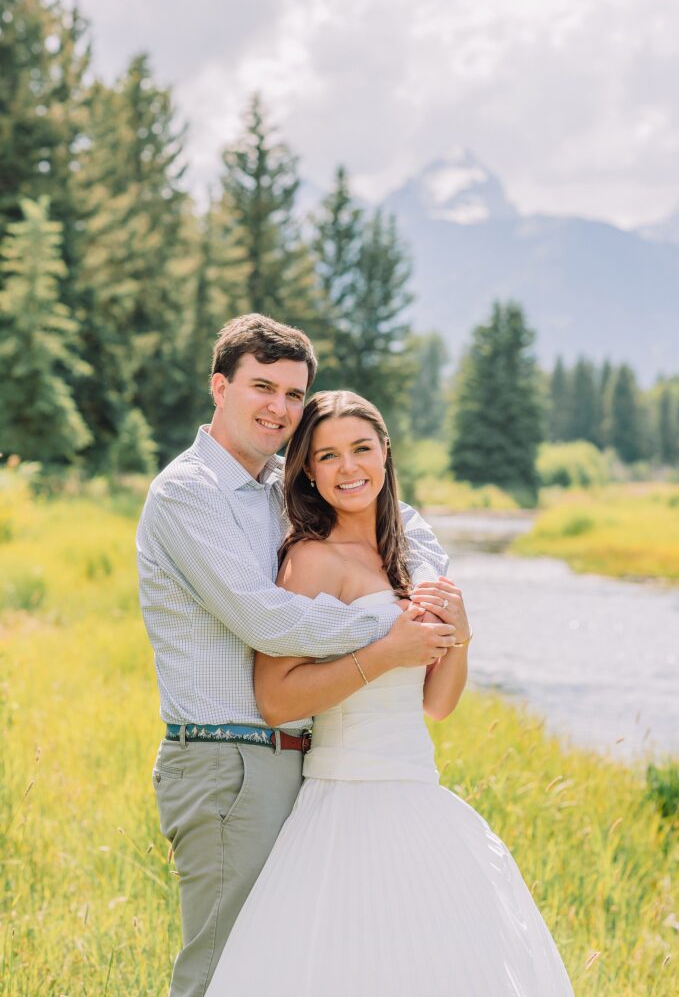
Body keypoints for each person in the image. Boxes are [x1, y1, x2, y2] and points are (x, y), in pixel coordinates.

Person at [205, 390, 575, 997]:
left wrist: (461, 632)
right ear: (308, 472)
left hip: (419, 794)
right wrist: (387, 653)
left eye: (361, 449)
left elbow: (437, 704)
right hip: (347, 799)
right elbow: (276, 699)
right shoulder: (309, 559)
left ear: (385, 454)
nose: (348, 468)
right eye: (327, 456)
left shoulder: (409, 557)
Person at [136, 314, 458, 997]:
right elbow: (266, 620)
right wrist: (387, 633)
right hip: (228, 761)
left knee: (290, 967)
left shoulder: (284, 484)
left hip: (305, 764)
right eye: (262, 386)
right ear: (218, 386)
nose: (279, 408)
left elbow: (403, 525)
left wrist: (427, 583)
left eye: (292, 394)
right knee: (223, 970)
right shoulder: (188, 491)